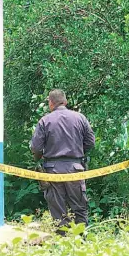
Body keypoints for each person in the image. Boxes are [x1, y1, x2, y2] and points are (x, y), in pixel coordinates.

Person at [30, 89, 95, 234]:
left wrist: (38, 158)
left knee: (58, 212)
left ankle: (62, 243)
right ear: (65, 102)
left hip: (52, 171)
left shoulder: (45, 121)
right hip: (76, 169)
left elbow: (35, 147)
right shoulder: (80, 118)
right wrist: (77, 152)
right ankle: (82, 243)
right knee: (80, 209)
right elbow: (90, 142)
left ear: (50, 103)